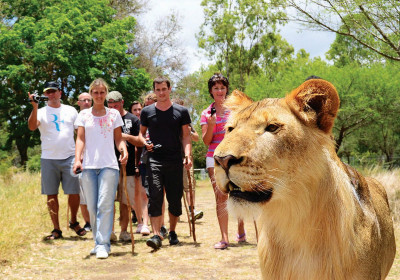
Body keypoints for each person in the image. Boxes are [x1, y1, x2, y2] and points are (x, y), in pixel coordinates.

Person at [73, 78, 128, 259]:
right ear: (91, 94)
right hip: (88, 166)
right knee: (92, 206)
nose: (98, 95)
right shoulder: (83, 115)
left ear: (106, 93)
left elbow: (118, 139)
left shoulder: (114, 115)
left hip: (109, 165)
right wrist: (77, 159)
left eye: (102, 92)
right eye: (95, 92)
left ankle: (103, 244)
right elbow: (80, 139)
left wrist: (123, 150)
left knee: (105, 204)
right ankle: (98, 242)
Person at [28, 81, 86, 240]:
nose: (51, 95)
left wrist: (80, 155)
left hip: (69, 157)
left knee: (74, 192)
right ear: (45, 94)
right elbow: (32, 127)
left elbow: (80, 133)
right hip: (48, 158)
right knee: (51, 195)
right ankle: (56, 229)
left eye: (54, 91)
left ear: (60, 93)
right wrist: (33, 106)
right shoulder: (40, 111)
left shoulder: (70, 110)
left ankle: (74, 221)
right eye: (48, 92)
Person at [140, 77, 192, 250]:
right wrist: (145, 142)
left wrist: (187, 155)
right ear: (154, 91)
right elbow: (141, 134)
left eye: (164, 89)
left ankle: (172, 231)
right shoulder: (147, 112)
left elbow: (186, 136)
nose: (161, 93)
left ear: (170, 89)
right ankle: (156, 235)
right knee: (155, 196)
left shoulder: (182, 111)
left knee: (174, 199)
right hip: (154, 159)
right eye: (158, 89)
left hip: (175, 160)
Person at [200, 73, 245, 250]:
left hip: (233, 156)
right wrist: (211, 125)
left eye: (222, 87)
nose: (220, 91)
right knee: (220, 196)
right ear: (211, 91)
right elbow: (206, 141)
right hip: (214, 157)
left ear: (226, 89)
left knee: (239, 194)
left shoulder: (235, 111)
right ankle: (224, 238)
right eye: (216, 88)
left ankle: (241, 228)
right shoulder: (206, 113)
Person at [107, 91, 150, 241]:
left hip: (128, 168)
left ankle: (124, 231)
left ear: (122, 103)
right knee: (109, 201)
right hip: (108, 165)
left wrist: (124, 137)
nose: (112, 109)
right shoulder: (104, 118)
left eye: (116, 106)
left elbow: (140, 141)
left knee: (125, 202)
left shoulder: (132, 119)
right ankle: (109, 231)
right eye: (110, 106)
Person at [172, 98, 203, 221]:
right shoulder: (170, 121)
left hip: (186, 159)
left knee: (189, 186)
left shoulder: (187, 123)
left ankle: (192, 211)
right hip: (173, 158)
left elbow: (196, 138)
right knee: (174, 187)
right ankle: (175, 212)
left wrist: (189, 133)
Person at [129, 100, 151, 236]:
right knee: (134, 194)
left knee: (144, 193)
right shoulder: (128, 123)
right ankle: (138, 220)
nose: (137, 112)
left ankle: (146, 223)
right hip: (131, 161)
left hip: (144, 161)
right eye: (135, 110)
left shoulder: (147, 124)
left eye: (139, 109)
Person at [76, 92, 92, 232]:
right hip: (81, 159)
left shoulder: (98, 115)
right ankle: (88, 222)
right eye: (83, 100)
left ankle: (96, 220)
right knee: (83, 195)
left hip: (95, 159)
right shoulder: (76, 118)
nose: (86, 102)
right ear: (78, 102)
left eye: (89, 100)